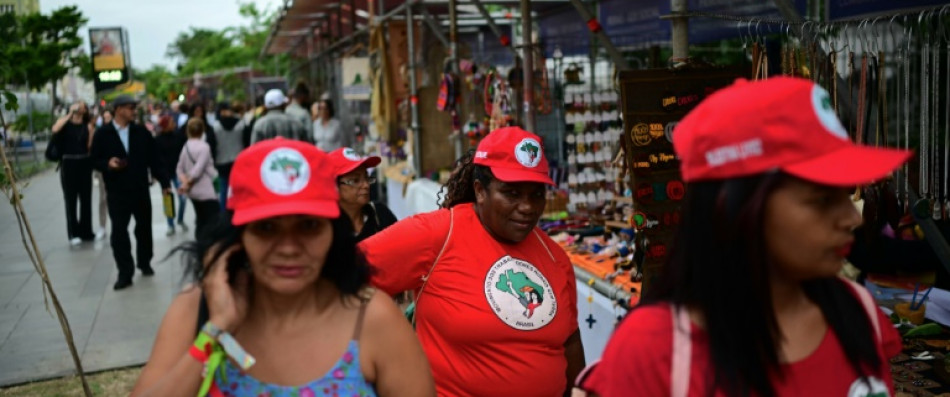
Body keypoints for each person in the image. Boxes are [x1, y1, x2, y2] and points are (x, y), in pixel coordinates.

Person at [577, 77, 912, 397]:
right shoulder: (655, 350)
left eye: (847, 194)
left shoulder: (859, 311)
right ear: (735, 207)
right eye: (822, 200)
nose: (852, 218)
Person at [131, 138, 436, 397]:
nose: (289, 248)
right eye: (266, 228)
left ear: (333, 232)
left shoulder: (372, 318)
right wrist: (215, 330)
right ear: (239, 236)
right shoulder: (196, 309)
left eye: (308, 226)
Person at [360, 126, 585, 396]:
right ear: (480, 191)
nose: (527, 207)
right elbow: (341, 277)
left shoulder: (554, 256)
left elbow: (570, 341)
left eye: (536, 194)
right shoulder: (438, 234)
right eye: (512, 193)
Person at [90, 95, 171, 290]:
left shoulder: (141, 132)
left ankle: (145, 262)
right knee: (119, 232)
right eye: (130, 107)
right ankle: (125, 272)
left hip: (140, 188)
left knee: (143, 228)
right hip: (117, 191)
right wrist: (107, 164)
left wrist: (165, 183)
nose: (134, 111)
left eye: (135, 107)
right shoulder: (103, 133)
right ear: (118, 110)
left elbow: (155, 159)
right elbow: (93, 159)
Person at [51, 101, 96, 245]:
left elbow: (89, 146)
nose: (80, 107)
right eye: (78, 105)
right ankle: (73, 233)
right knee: (70, 199)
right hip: (68, 163)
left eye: (82, 106)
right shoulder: (65, 123)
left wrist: (92, 132)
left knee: (86, 199)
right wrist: (70, 113)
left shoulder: (87, 124)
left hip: (84, 162)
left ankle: (86, 232)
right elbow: (55, 129)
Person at [329, 148, 397, 242]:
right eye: (355, 180)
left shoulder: (380, 214)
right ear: (334, 186)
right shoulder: (327, 230)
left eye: (366, 177)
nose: (366, 185)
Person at [177, 117, 220, 240]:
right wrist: (186, 184)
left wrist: (184, 182)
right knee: (212, 221)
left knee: (200, 220)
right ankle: (207, 248)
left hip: (193, 193)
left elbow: (179, 168)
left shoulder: (186, 147)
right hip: (207, 190)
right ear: (203, 131)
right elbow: (198, 170)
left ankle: (200, 247)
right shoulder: (204, 147)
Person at [155, 115, 188, 236]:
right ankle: (170, 224)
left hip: (178, 171)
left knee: (183, 198)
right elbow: (156, 159)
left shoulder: (178, 136)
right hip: (165, 174)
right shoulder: (157, 140)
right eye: (171, 122)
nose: (173, 123)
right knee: (168, 199)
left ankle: (180, 219)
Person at [211, 101, 247, 210]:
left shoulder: (215, 126)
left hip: (222, 161)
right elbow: (246, 142)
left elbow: (212, 145)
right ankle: (239, 208)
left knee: (223, 189)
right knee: (239, 188)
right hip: (239, 160)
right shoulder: (241, 124)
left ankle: (223, 212)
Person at [93, 108, 113, 240]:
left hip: (116, 171)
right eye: (105, 118)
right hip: (103, 171)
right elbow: (95, 155)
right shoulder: (99, 133)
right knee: (103, 199)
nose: (107, 120)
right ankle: (102, 226)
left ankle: (117, 224)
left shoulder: (117, 132)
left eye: (109, 117)